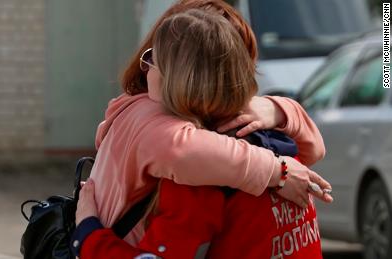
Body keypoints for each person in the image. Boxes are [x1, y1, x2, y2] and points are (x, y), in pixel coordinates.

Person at [72, 7, 329, 259]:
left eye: (153, 60)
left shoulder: (198, 180)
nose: (145, 67)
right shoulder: (283, 147)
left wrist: (87, 234)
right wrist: (280, 128)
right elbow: (314, 149)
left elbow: (180, 150)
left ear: (179, 77)